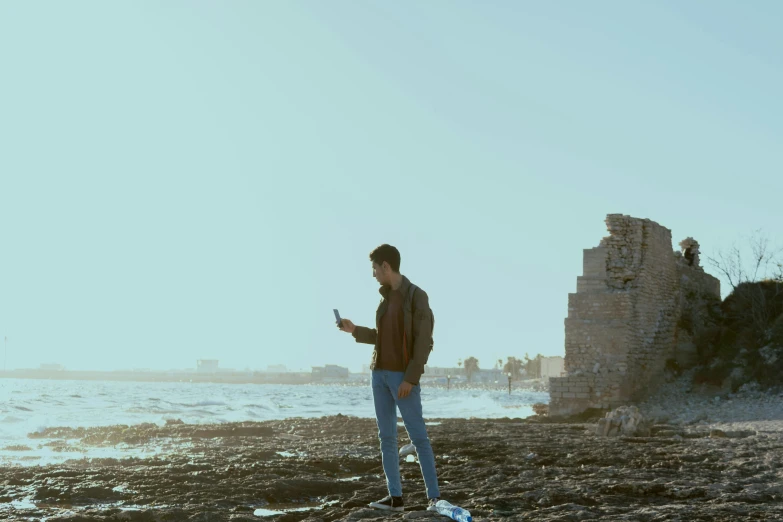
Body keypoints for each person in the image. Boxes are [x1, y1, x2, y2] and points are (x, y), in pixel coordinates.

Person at [338, 244, 440, 513]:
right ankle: (395, 498)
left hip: (402, 378)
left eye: (374, 268)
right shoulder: (384, 300)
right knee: (387, 438)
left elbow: (424, 342)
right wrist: (354, 330)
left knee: (419, 439)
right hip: (379, 375)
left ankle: (435, 498)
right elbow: (382, 338)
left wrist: (411, 378)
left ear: (386, 266)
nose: (373, 274)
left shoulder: (417, 296)